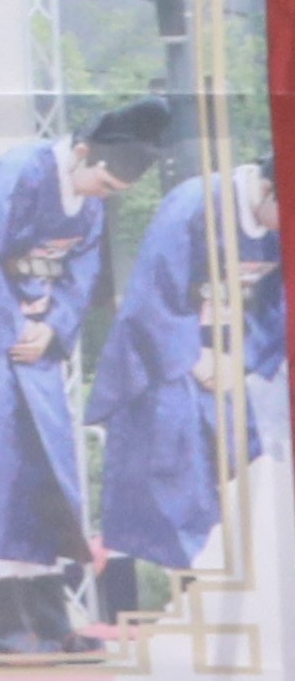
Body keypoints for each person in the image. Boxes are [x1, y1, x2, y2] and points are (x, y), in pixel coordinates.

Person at [0, 104, 172, 660]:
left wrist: (54, 327)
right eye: (105, 183)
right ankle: (8, 627)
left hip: (33, 344)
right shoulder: (18, 171)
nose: (104, 195)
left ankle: (53, 622)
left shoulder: (90, 198)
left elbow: (82, 273)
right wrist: (12, 329)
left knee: (46, 479)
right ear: (82, 152)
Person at [101, 156, 273, 597]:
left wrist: (242, 360)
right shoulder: (195, 206)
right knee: (178, 466)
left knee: (259, 454)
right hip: (166, 360)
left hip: (237, 361)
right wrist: (193, 358)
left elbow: (277, 308)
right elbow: (151, 295)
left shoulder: (277, 224)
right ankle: (191, 597)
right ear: (268, 189)